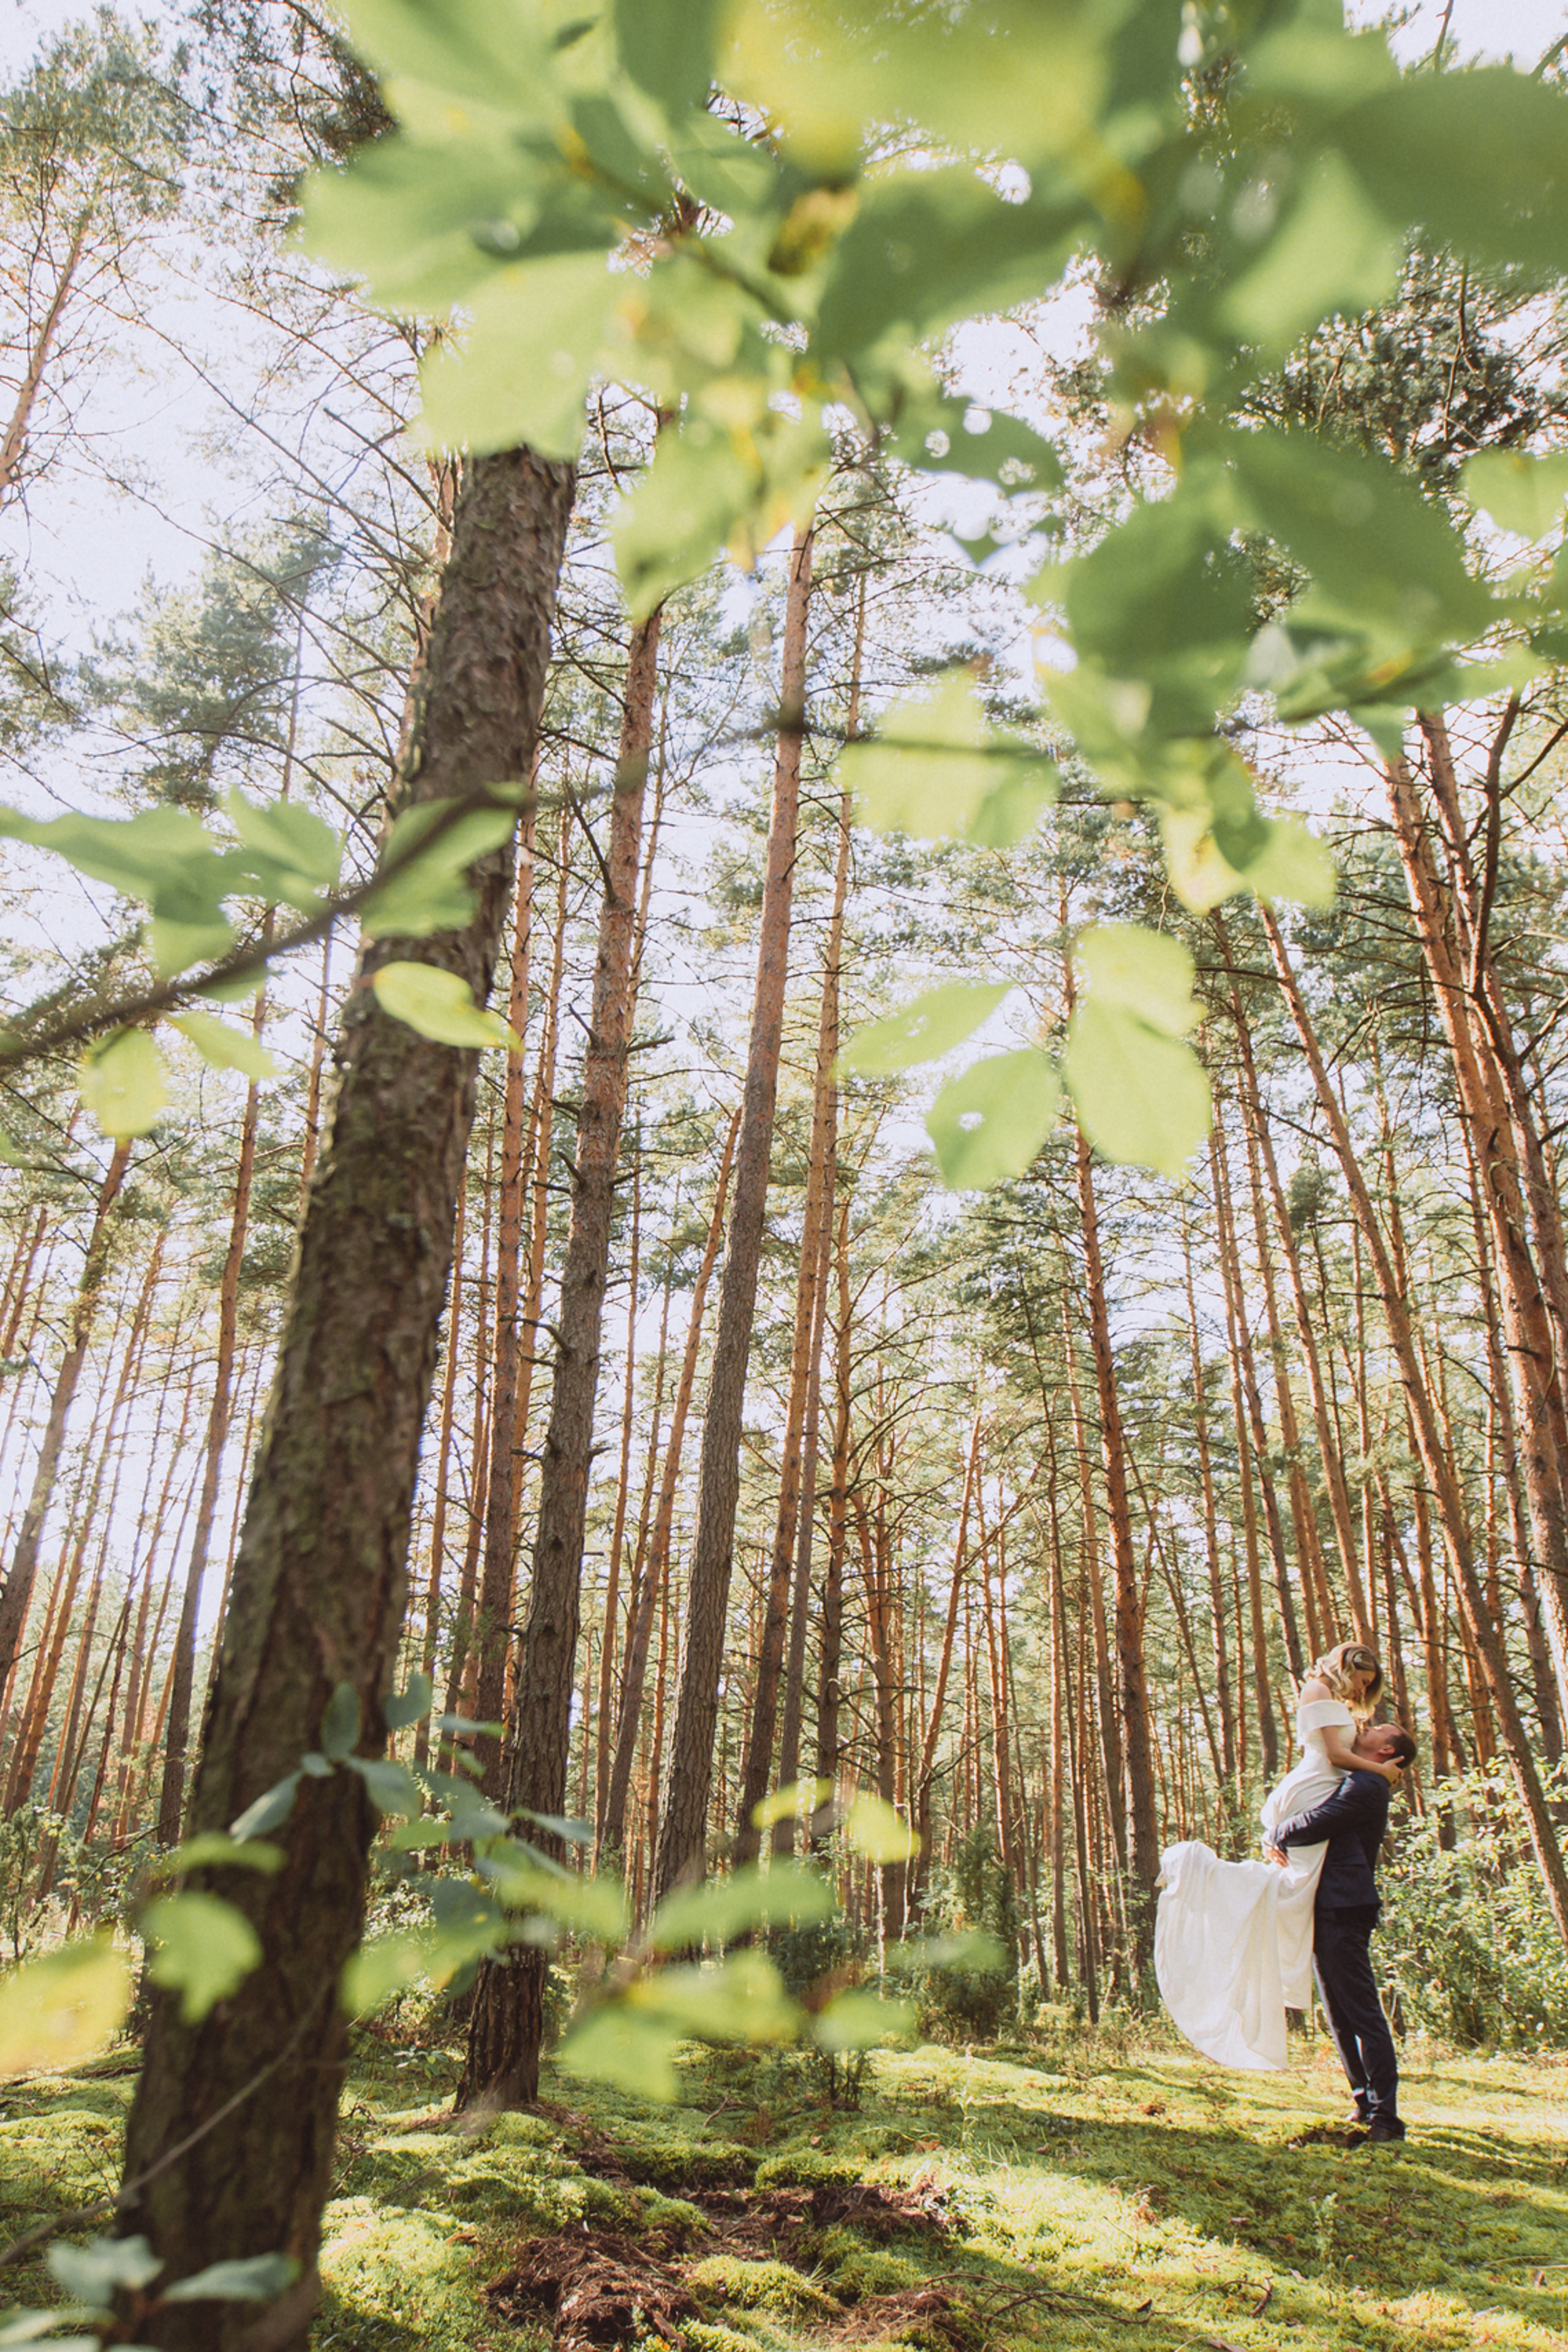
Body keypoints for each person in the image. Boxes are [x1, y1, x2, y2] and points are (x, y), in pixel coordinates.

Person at [1156, 1643, 1400, 2070]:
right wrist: (1383, 1770)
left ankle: (1251, 1906)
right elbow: (1335, 1755)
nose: (1363, 1694)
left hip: (1325, 1801)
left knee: (1292, 1889)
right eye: (1362, 1682)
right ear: (1348, 1666)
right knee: (1291, 1887)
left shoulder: (1337, 1708)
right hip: (1313, 1787)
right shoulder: (1318, 1690)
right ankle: (1204, 1876)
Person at [1270, 1719, 1418, 2144]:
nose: (1369, 1726)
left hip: (1345, 1905)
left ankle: (1387, 2118)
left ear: (1388, 1751)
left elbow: (1320, 1821)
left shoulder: (1369, 1784)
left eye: (1381, 1728)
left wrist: (1276, 1834)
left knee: (1362, 2012)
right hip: (1328, 1904)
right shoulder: (1357, 1777)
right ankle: (1364, 2102)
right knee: (1339, 2014)